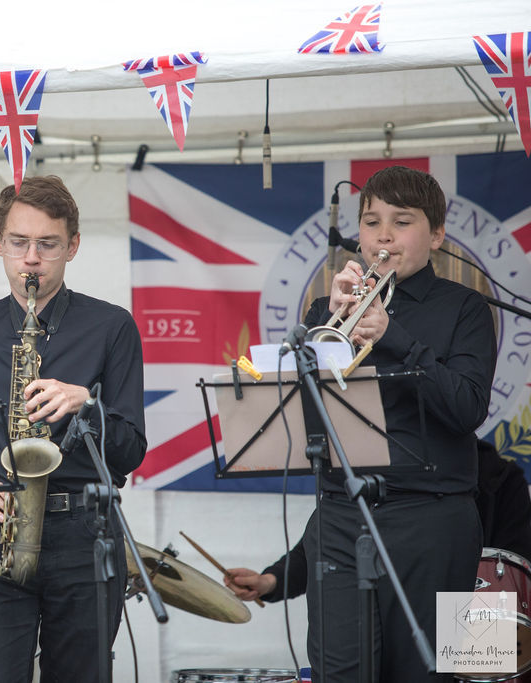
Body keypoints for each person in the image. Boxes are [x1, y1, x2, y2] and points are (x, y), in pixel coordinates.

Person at [232, 166, 497, 682]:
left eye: (402, 222)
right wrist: (323, 324)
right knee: (339, 670)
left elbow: (468, 408)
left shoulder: (463, 308)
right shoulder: (324, 310)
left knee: (427, 673)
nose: (383, 236)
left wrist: (393, 335)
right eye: (372, 221)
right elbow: (302, 416)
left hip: (433, 520)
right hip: (343, 519)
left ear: (437, 234)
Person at [0, 175, 147, 682]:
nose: (31, 258)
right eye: (19, 243)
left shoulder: (112, 327)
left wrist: (86, 404)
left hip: (85, 536)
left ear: (72, 246)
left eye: (48, 244)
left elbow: (131, 450)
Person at [225, 441, 531, 604]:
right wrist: (271, 581)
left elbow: (514, 572)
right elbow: (329, 541)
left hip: (473, 618)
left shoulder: (500, 479)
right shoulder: (373, 468)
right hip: (382, 617)